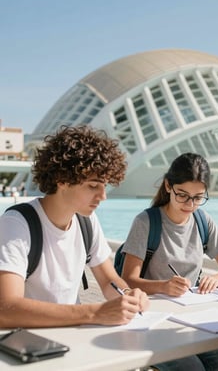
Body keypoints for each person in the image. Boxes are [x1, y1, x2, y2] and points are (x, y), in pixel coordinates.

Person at [0, 125, 149, 328]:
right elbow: (5, 309)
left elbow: (108, 281)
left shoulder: (86, 221)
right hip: (28, 343)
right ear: (62, 180)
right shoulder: (16, 225)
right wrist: (95, 312)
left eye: (104, 186)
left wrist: (129, 295)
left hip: (72, 336)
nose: (103, 196)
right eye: (93, 186)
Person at [121, 152, 218, 370]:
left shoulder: (203, 221)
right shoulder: (146, 222)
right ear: (168, 186)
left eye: (198, 197)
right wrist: (163, 287)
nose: (190, 204)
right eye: (183, 195)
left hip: (189, 319)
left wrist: (215, 279)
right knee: (192, 368)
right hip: (153, 321)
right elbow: (128, 280)